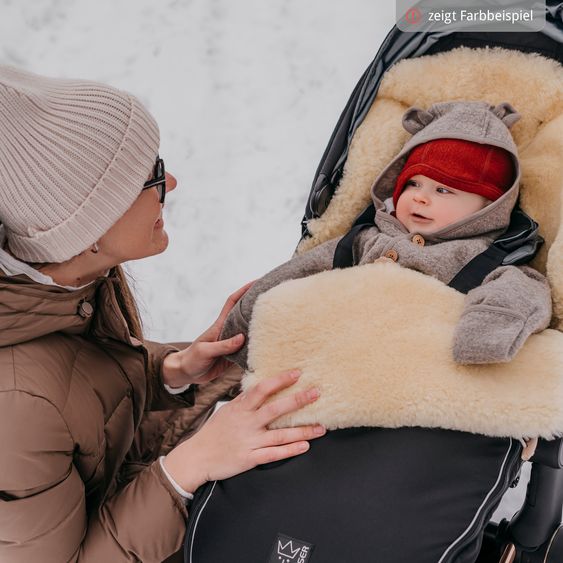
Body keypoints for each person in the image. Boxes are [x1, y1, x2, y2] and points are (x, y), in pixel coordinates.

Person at [0, 65, 327, 563]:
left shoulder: (68, 280)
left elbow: (78, 386)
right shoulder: (14, 407)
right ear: (87, 224)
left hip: (134, 474)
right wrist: (187, 468)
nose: (171, 181)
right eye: (149, 177)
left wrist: (172, 372)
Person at [220, 101, 552, 369]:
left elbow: (524, 291)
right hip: (338, 360)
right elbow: (295, 274)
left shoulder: (484, 257)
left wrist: (484, 335)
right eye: (413, 184)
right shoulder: (365, 240)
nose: (420, 197)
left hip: (419, 370)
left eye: (442, 190)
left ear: (488, 208)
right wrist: (244, 325)